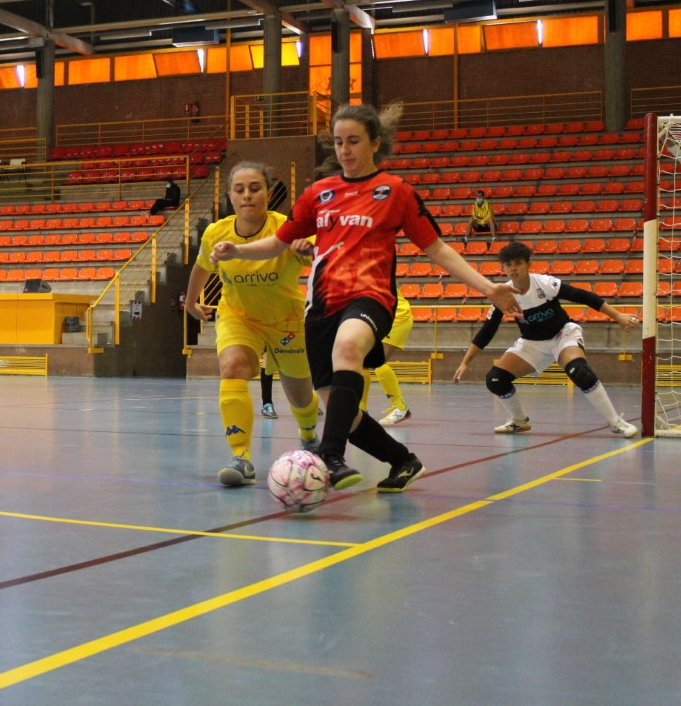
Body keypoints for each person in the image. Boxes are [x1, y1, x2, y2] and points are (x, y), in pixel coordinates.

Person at [212, 103, 521, 491]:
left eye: (354, 141)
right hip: (321, 305)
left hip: (370, 297)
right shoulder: (318, 194)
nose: (345, 150)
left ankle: (328, 455)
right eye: (339, 142)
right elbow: (278, 242)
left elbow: (437, 248)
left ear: (376, 142)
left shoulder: (397, 192)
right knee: (341, 407)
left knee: (347, 350)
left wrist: (489, 287)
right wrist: (237, 251)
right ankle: (402, 460)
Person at [185, 161, 322, 487]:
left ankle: (309, 435)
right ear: (230, 196)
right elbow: (201, 268)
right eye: (240, 189)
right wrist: (190, 303)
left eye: (255, 188)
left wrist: (308, 248)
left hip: (285, 320)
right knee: (232, 367)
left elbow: (317, 256)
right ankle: (241, 458)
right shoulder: (215, 233)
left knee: (301, 396)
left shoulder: (288, 228)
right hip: (238, 316)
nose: (247, 195)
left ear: (268, 193)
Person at [452, 241, 640, 438]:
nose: (513, 268)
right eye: (508, 264)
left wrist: (617, 315)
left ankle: (615, 422)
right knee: (495, 379)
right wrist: (465, 362)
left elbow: (583, 296)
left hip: (562, 335)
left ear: (528, 264)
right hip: (532, 343)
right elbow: (488, 330)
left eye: (518, 263)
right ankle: (519, 420)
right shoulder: (503, 294)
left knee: (579, 370)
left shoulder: (544, 283)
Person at [371, 289, 414, 425]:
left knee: (378, 362)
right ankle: (361, 410)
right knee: (363, 362)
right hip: (382, 317)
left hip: (397, 317)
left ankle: (400, 407)